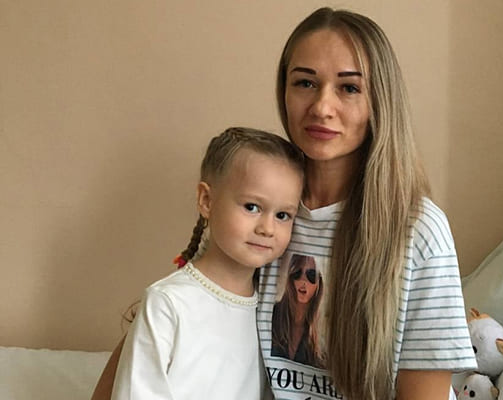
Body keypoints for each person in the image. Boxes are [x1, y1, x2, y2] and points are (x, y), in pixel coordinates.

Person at [92, 7, 477, 400]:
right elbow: (181, 304)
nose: (322, 107)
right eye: (305, 83)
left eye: (349, 88)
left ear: (380, 100)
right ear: (284, 91)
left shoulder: (418, 232)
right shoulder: (263, 211)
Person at [109, 127, 304, 400]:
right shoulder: (167, 303)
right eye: (252, 207)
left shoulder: (271, 311)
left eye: (282, 215)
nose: (267, 228)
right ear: (207, 201)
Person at [271, 254, 324, 368]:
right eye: (297, 273)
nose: (303, 280)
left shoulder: (323, 331)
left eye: (311, 275)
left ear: (319, 282)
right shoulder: (271, 315)